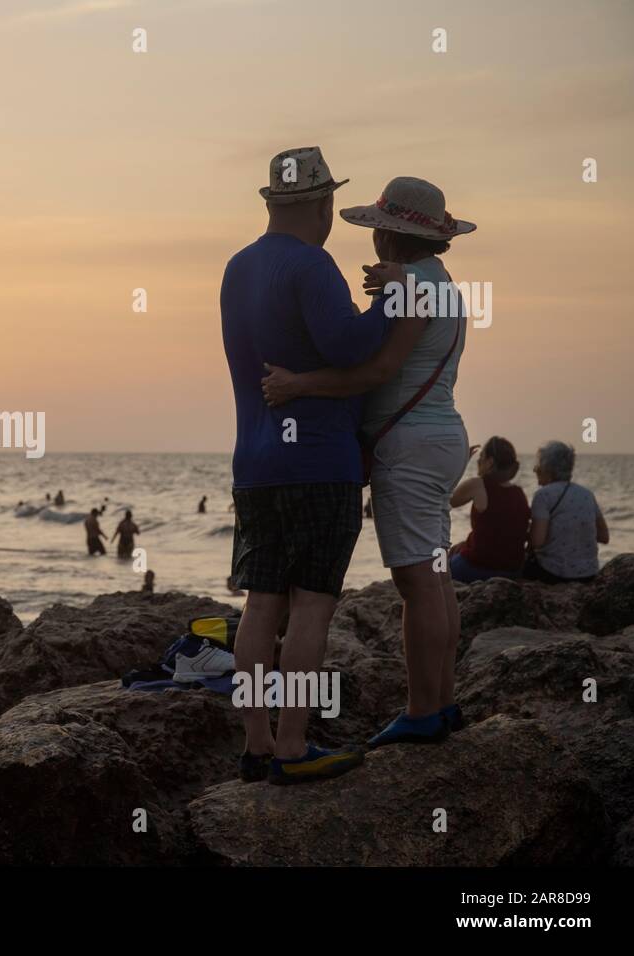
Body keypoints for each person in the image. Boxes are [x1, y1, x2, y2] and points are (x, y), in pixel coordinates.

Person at [260, 174, 475, 751]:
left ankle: (422, 711)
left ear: (392, 236)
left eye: (380, 230)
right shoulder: (445, 284)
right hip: (442, 435)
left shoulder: (406, 288)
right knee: (436, 576)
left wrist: (298, 384)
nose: (374, 241)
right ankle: (445, 701)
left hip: (407, 444)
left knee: (416, 582)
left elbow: (376, 373)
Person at [221, 147, 390, 785]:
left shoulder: (236, 269)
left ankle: (256, 743)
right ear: (322, 205)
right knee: (312, 608)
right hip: (319, 461)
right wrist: (387, 306)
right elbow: (347, 345)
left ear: (272, 202)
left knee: (261, 607)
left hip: (255, 463)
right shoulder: (314, 265)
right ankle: (294, 746)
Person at [525, 441, 609, 583]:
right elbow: (603, 536)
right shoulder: (587, 494)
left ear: (547, 469)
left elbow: (537, 541)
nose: (535, 470)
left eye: (538, 466)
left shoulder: (543, 495)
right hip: (589, 574)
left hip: (554, 573)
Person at [448, 436, 529, 583]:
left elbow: (444, 501)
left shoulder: (478, 484)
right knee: (459, 549)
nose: (478, 461)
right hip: (513, 571)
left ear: (490, 462)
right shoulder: (519, 493)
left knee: (438, 566)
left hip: (479, 568)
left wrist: (459, 464)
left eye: (481, 457)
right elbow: (497, 536)